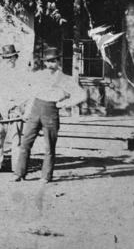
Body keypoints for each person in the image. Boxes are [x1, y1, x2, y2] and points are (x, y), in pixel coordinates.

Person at [14, 46, 85, 183]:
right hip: (36, 108)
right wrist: (27, 111)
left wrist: (64, 104)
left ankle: (46, 176)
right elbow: (32, 94)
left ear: (59, 62)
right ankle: (19, 173)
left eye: (53, 61)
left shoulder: (65, 78)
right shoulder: (39, 76)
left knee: (49, 146)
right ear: (44, 63)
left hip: (51, 111)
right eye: (47, 61)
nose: (50, 64)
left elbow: (81, 95)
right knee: (25, 143)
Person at [0, 44, 31, 174]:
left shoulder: (22, 73)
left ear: (15, 57)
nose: (9, 60)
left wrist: (20, 106)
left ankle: (16, 167)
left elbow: (27, 92)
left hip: (15, 110)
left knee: (16, 139)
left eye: (11, 57)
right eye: (6, 58)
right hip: (1, 109)